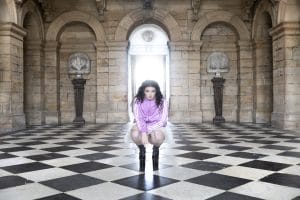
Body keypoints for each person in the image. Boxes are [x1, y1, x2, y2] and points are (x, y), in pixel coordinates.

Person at [130, 80, 168, 171]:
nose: (150, 94)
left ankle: (156, 150)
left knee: (158, 137)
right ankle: (141, 150)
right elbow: (138, 118)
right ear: (143, 91)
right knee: (135, 134)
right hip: (142, 124)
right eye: (147, 91)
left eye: (153, 91)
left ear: (156, 91)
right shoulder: (137, 100)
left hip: (157, 125)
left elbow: (162, 120)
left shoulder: (163, 101)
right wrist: (143, 132)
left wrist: (147, 131)